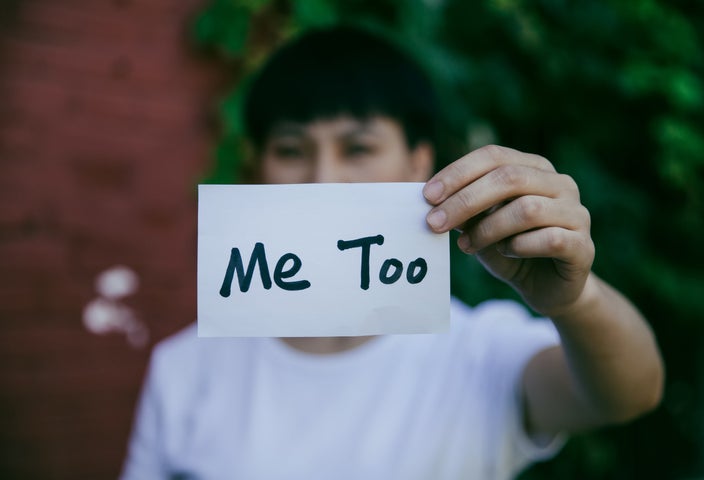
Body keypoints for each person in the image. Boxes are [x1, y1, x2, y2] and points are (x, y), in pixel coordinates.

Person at [120, 25, 664, 479]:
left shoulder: (477, 351)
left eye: (358, 148)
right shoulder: (184, 368)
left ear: (417, 163)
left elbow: (630, 393)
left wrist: (577, 300)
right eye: (291, 150)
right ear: (257, 168)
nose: (323, 180)